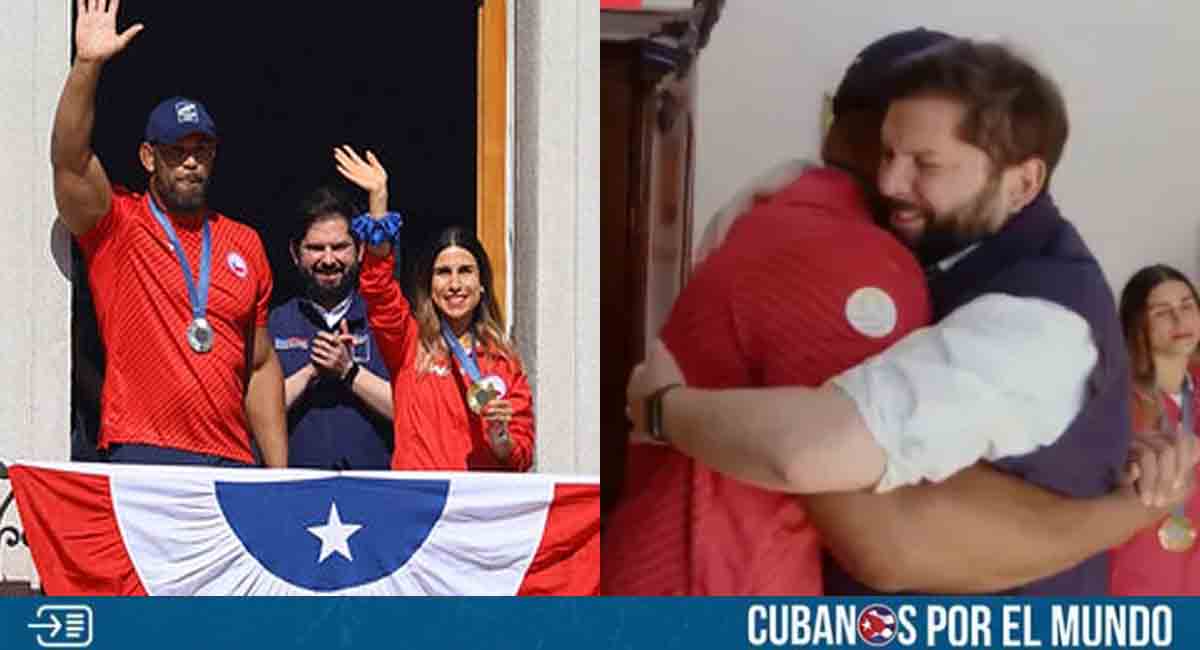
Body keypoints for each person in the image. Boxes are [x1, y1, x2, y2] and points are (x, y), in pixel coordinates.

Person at [623, 38, 1196, 594]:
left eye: (926, 163)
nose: (891, 182)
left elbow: (826, 475)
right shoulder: (924, 248)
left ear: (1024, 181)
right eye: (888, 153)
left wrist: (660, 408)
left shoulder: (1039, 323)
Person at [50, 0, 286, 467]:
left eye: (201, 149)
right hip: (144, 450)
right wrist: (87, 66)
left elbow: (259, 364)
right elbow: (70, 159)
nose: (191, 160)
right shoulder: (117, 224)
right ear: (147, 157)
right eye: (176, 151)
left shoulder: (244, 243)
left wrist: (279, 475)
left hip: (230, 458)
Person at [332, 146, 534, 471]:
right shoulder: (408, 342)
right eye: (443, 273)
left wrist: (502, 442)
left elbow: (521, 456)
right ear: (429, 286)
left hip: (475, 508)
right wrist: (379, 202)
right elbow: (379, 289)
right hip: (419, 506)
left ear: (482, 284)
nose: (454, 284)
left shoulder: (502, 360)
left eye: (465, 271)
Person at [269, 187, 394, 470]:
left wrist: (349, 372)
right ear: (295, 253)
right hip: (296, 495)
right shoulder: (273, 324)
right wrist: (311, 372)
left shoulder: (386, 323)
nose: (328, 260)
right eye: (315, 248)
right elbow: (253, 419)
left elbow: (414, 414)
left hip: (375, 495)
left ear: (360, 250)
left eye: (339, 247)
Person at [1111, 265, 1200, 595]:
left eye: (1188, 305)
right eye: (1162, 312)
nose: (1180, 321)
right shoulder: (1116, 400)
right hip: (1137, 580)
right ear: (1138, 325)